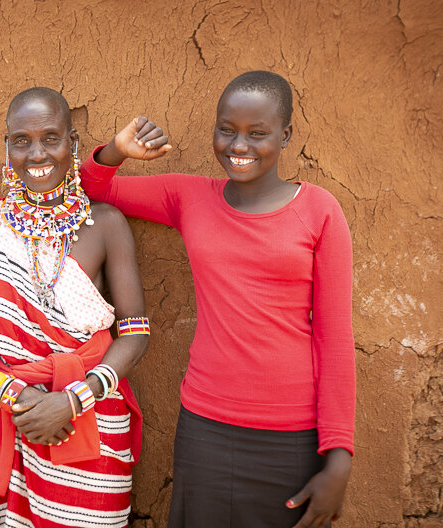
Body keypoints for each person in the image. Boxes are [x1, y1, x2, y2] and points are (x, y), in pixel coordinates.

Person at [79, 71, 355, 528]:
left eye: (258, 133)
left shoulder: (319, 211)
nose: (238, 146)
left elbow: (335, 339)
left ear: (285, 135)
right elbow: (92, 191)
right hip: (206, 428)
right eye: (226, 129)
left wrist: (339, 455)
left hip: (292, 436)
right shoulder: (190, 198)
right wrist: (115, 152)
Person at [0, 87, 150, 528]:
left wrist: (72, 400)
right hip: (3, 412)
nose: (37, 153)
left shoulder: (105, 224)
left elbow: (136, 331)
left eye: (51, 138)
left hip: (89, 417)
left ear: (72, 141)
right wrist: (14, 395)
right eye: (22, 140)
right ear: (7, 146)